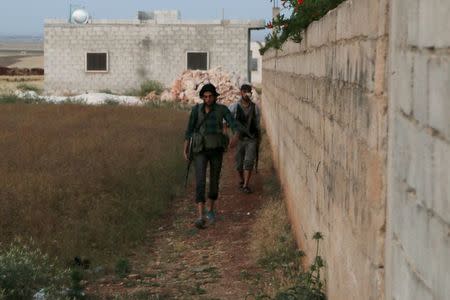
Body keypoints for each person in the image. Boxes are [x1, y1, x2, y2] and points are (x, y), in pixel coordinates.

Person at [183, 83, 239, 229]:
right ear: (202, 97)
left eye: (210, 96)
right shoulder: (196, 110)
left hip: (216, 149)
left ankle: (211, 210)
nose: (208, 99)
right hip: (199, 150)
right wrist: (186, 148)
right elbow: (189, 130)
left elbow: (233, 124)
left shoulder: (222, 109)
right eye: (205, 96)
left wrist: (235, 136)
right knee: (200, 181)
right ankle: (200, 215)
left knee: (214, 180)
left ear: (215, 97)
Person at [228, 84, 261, 194]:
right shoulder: (235, 107)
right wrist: (232, 135)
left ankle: (246, 185)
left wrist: (258, 138)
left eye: (248, 91)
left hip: (251, 139)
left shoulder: (255, 107)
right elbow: (227, 119)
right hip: (239, 139)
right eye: (244, 91)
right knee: (239, 164)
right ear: (241, 92)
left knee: (249, 161)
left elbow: (257, 124)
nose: (247, 93)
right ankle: (242, 180)